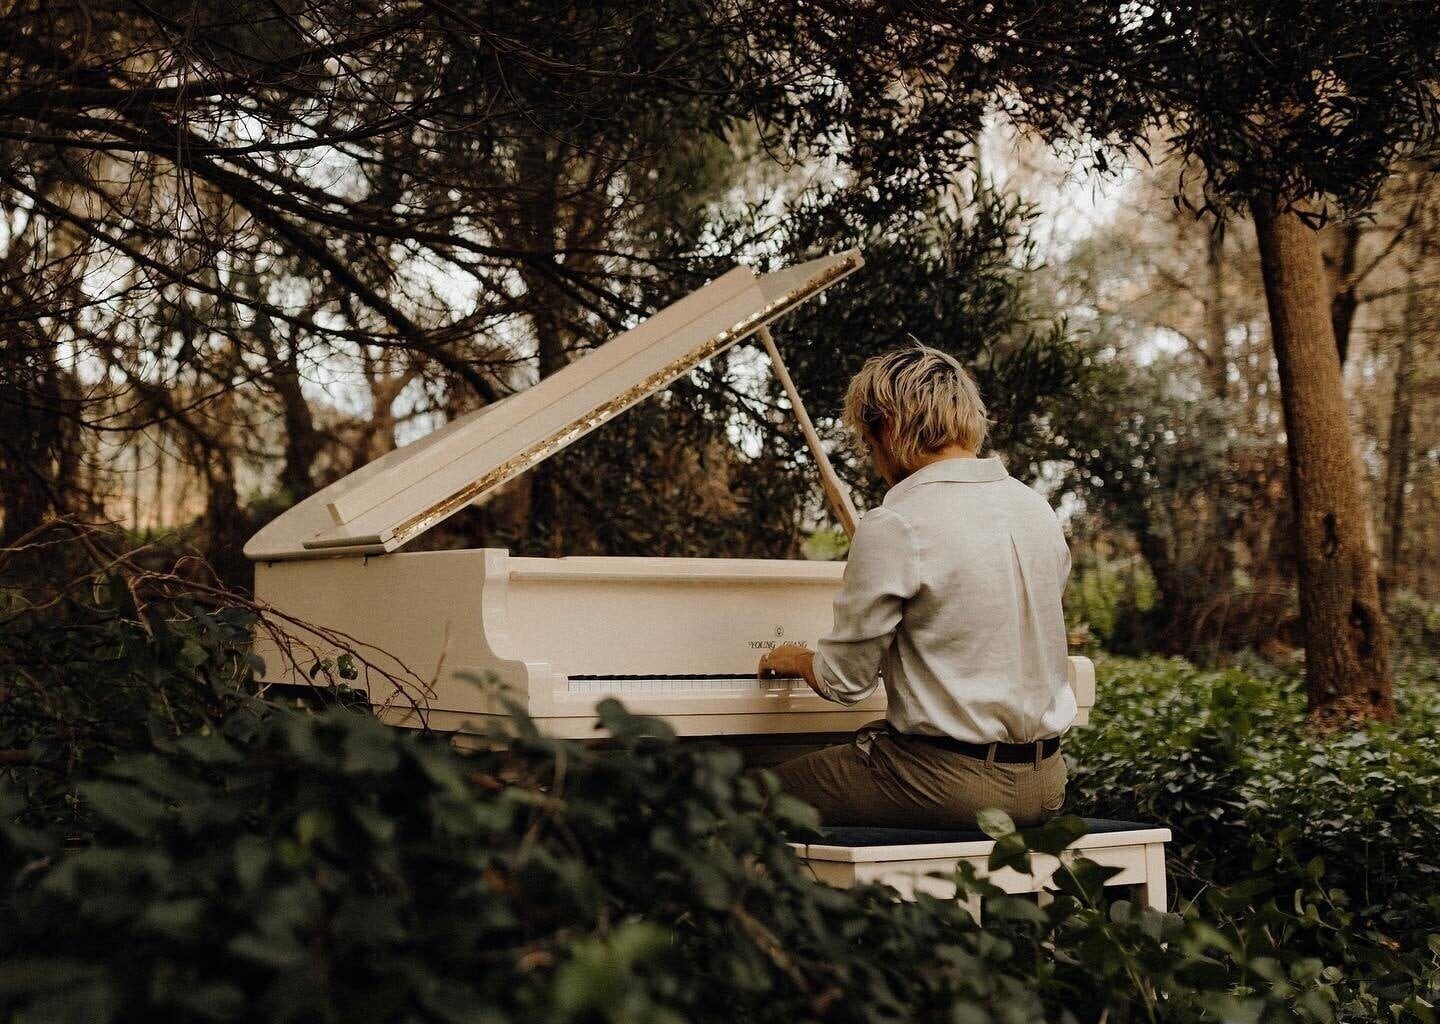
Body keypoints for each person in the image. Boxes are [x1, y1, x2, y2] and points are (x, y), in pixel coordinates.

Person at [757, 343, 1075, 829]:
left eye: (868, 442)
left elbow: (845, 683)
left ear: (888, 427)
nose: (873, 458)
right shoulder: (1037, 509)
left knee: (745, 797)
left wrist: (794, 658)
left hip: (951, 787)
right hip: (1048, 781)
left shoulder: (898, 522)